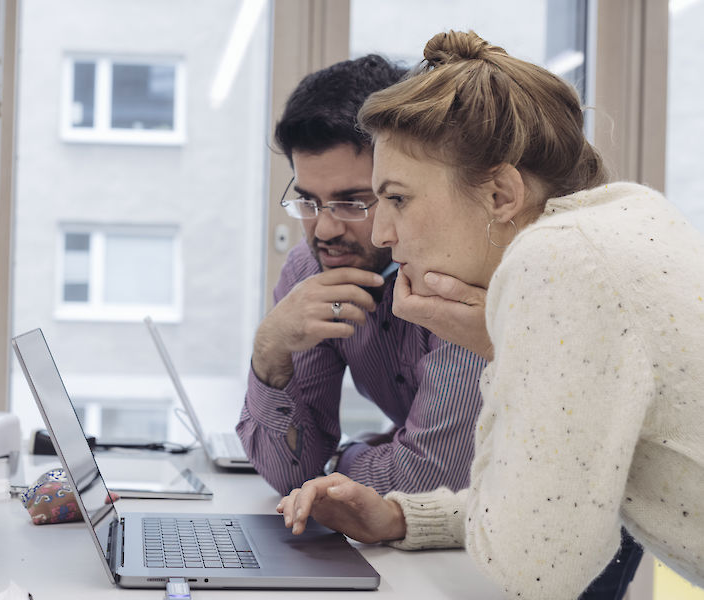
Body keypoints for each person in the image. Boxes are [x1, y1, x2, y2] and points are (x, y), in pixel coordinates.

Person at [277, 30, 704, 599]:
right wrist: (402, 518)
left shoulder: (555, 259)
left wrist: (503, 354)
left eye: (397, 199)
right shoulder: (627, 213)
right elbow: (557, 496)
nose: (381, 233)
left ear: (501, 194)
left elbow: (534, 567)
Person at [236, 54, 487, 497]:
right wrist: (269, 347)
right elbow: (290, 474)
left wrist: (337, 463)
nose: (326, 229)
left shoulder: (458, 274)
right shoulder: (309, 269)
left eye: (353, 202)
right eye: (308, 202)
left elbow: (427, 479)